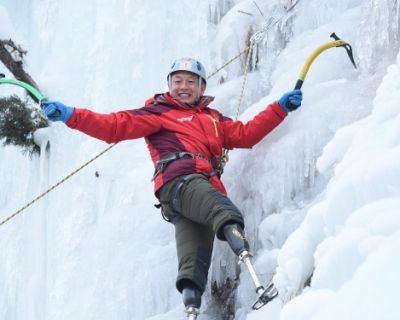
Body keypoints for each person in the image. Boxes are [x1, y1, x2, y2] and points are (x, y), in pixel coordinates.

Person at [41, 57, 302, 318]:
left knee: (194, 261)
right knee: (223, 211)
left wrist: (280, 108)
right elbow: (114, 126)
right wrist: (69, 115)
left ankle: (191, 310)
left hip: (192, 193)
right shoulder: (158, 112)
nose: (183, 86)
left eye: (190, 81)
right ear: (169, 85)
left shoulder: (214, 120)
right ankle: (258, 284)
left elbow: (246, 135)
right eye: (177, 81)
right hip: (180, 182)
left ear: (202, 87)